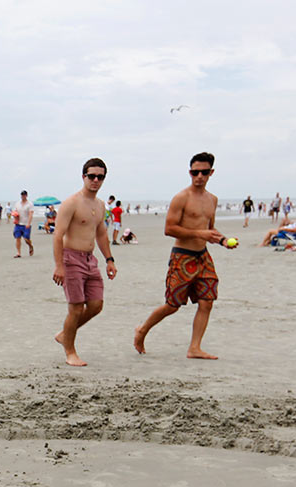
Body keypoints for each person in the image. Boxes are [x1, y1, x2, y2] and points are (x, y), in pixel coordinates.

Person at [133, 152, 228, 360]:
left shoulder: (213, 199)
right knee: (172, 305)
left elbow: (209, 228)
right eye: (195, 172)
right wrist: (200, 234)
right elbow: (169, 229)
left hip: (203, 256)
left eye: (204, 172)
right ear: (190, 172)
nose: (199, 176)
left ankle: (194, 348)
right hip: (182, 256)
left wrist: (221, 240)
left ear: (211, 172)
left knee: (207, 301)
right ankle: (142, 329)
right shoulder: (181, 198)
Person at [50, 158, 118, 367]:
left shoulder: (99, 204)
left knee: (96, 305)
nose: (95, 180)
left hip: (90, 261)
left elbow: (101, 234)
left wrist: (109, 259)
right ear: (83, 177)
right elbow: (58, 235)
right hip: (71, 259)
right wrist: (59, 265)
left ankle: (65, 334)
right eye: (91, 176)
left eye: (100, 177)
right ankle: (70, 351)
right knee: (76, 308)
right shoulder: (71, 203)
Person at [13, 190, 35, 257]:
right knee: (18, 238)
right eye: (22, 195)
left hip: (26, 224)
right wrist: (14, 216)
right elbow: (15, 212)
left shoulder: (30, 204)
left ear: (26, 195)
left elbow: (31, 214)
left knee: (26, 239)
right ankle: (18, 253)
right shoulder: (17, 203)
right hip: (18, 224)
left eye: (24, 195)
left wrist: (29, 223)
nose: (23, 196)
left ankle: (30, 246)